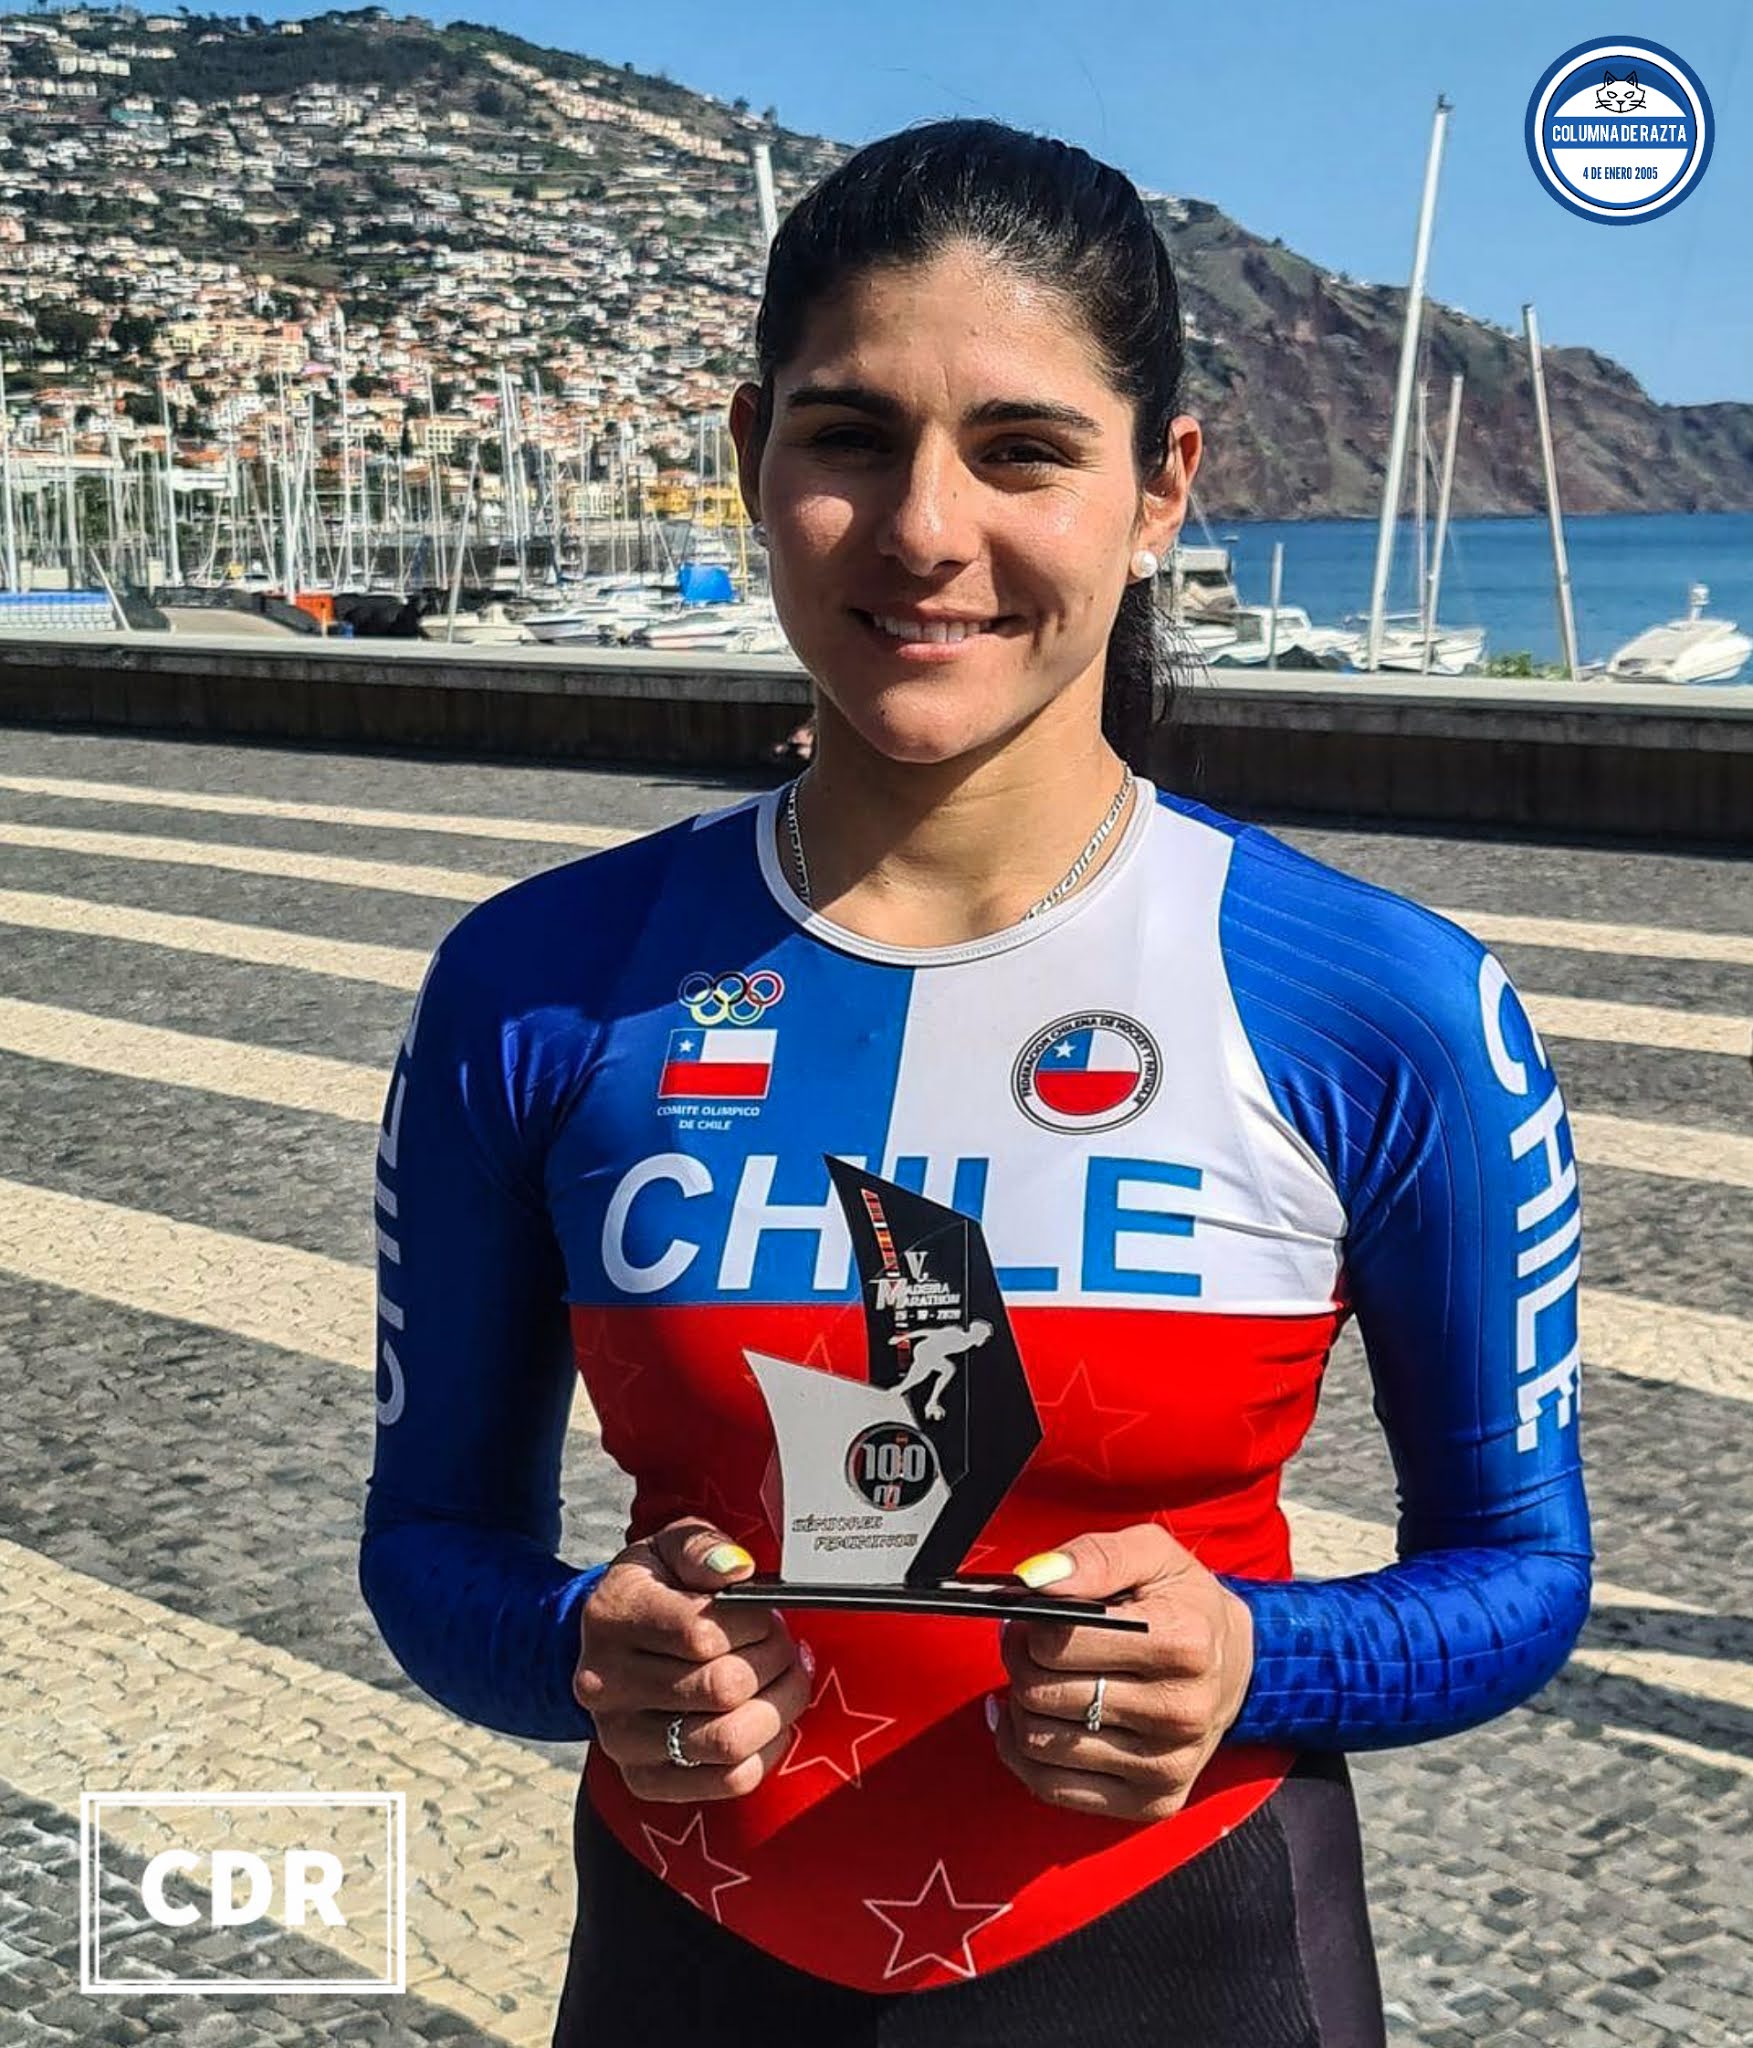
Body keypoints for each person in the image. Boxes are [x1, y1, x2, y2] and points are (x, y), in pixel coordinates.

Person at [360, 120, 1591, 2048]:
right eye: (850, 437)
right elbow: (428, 1542)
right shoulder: (531, 987)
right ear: (755, 452)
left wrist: (1254, 1657)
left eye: (1021, 449)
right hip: (690, 1969)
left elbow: (1518, 1575)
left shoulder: (1381, 1004)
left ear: (1159, 488)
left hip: (1193, 1956)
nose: (924, 530)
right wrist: (577, 1649)